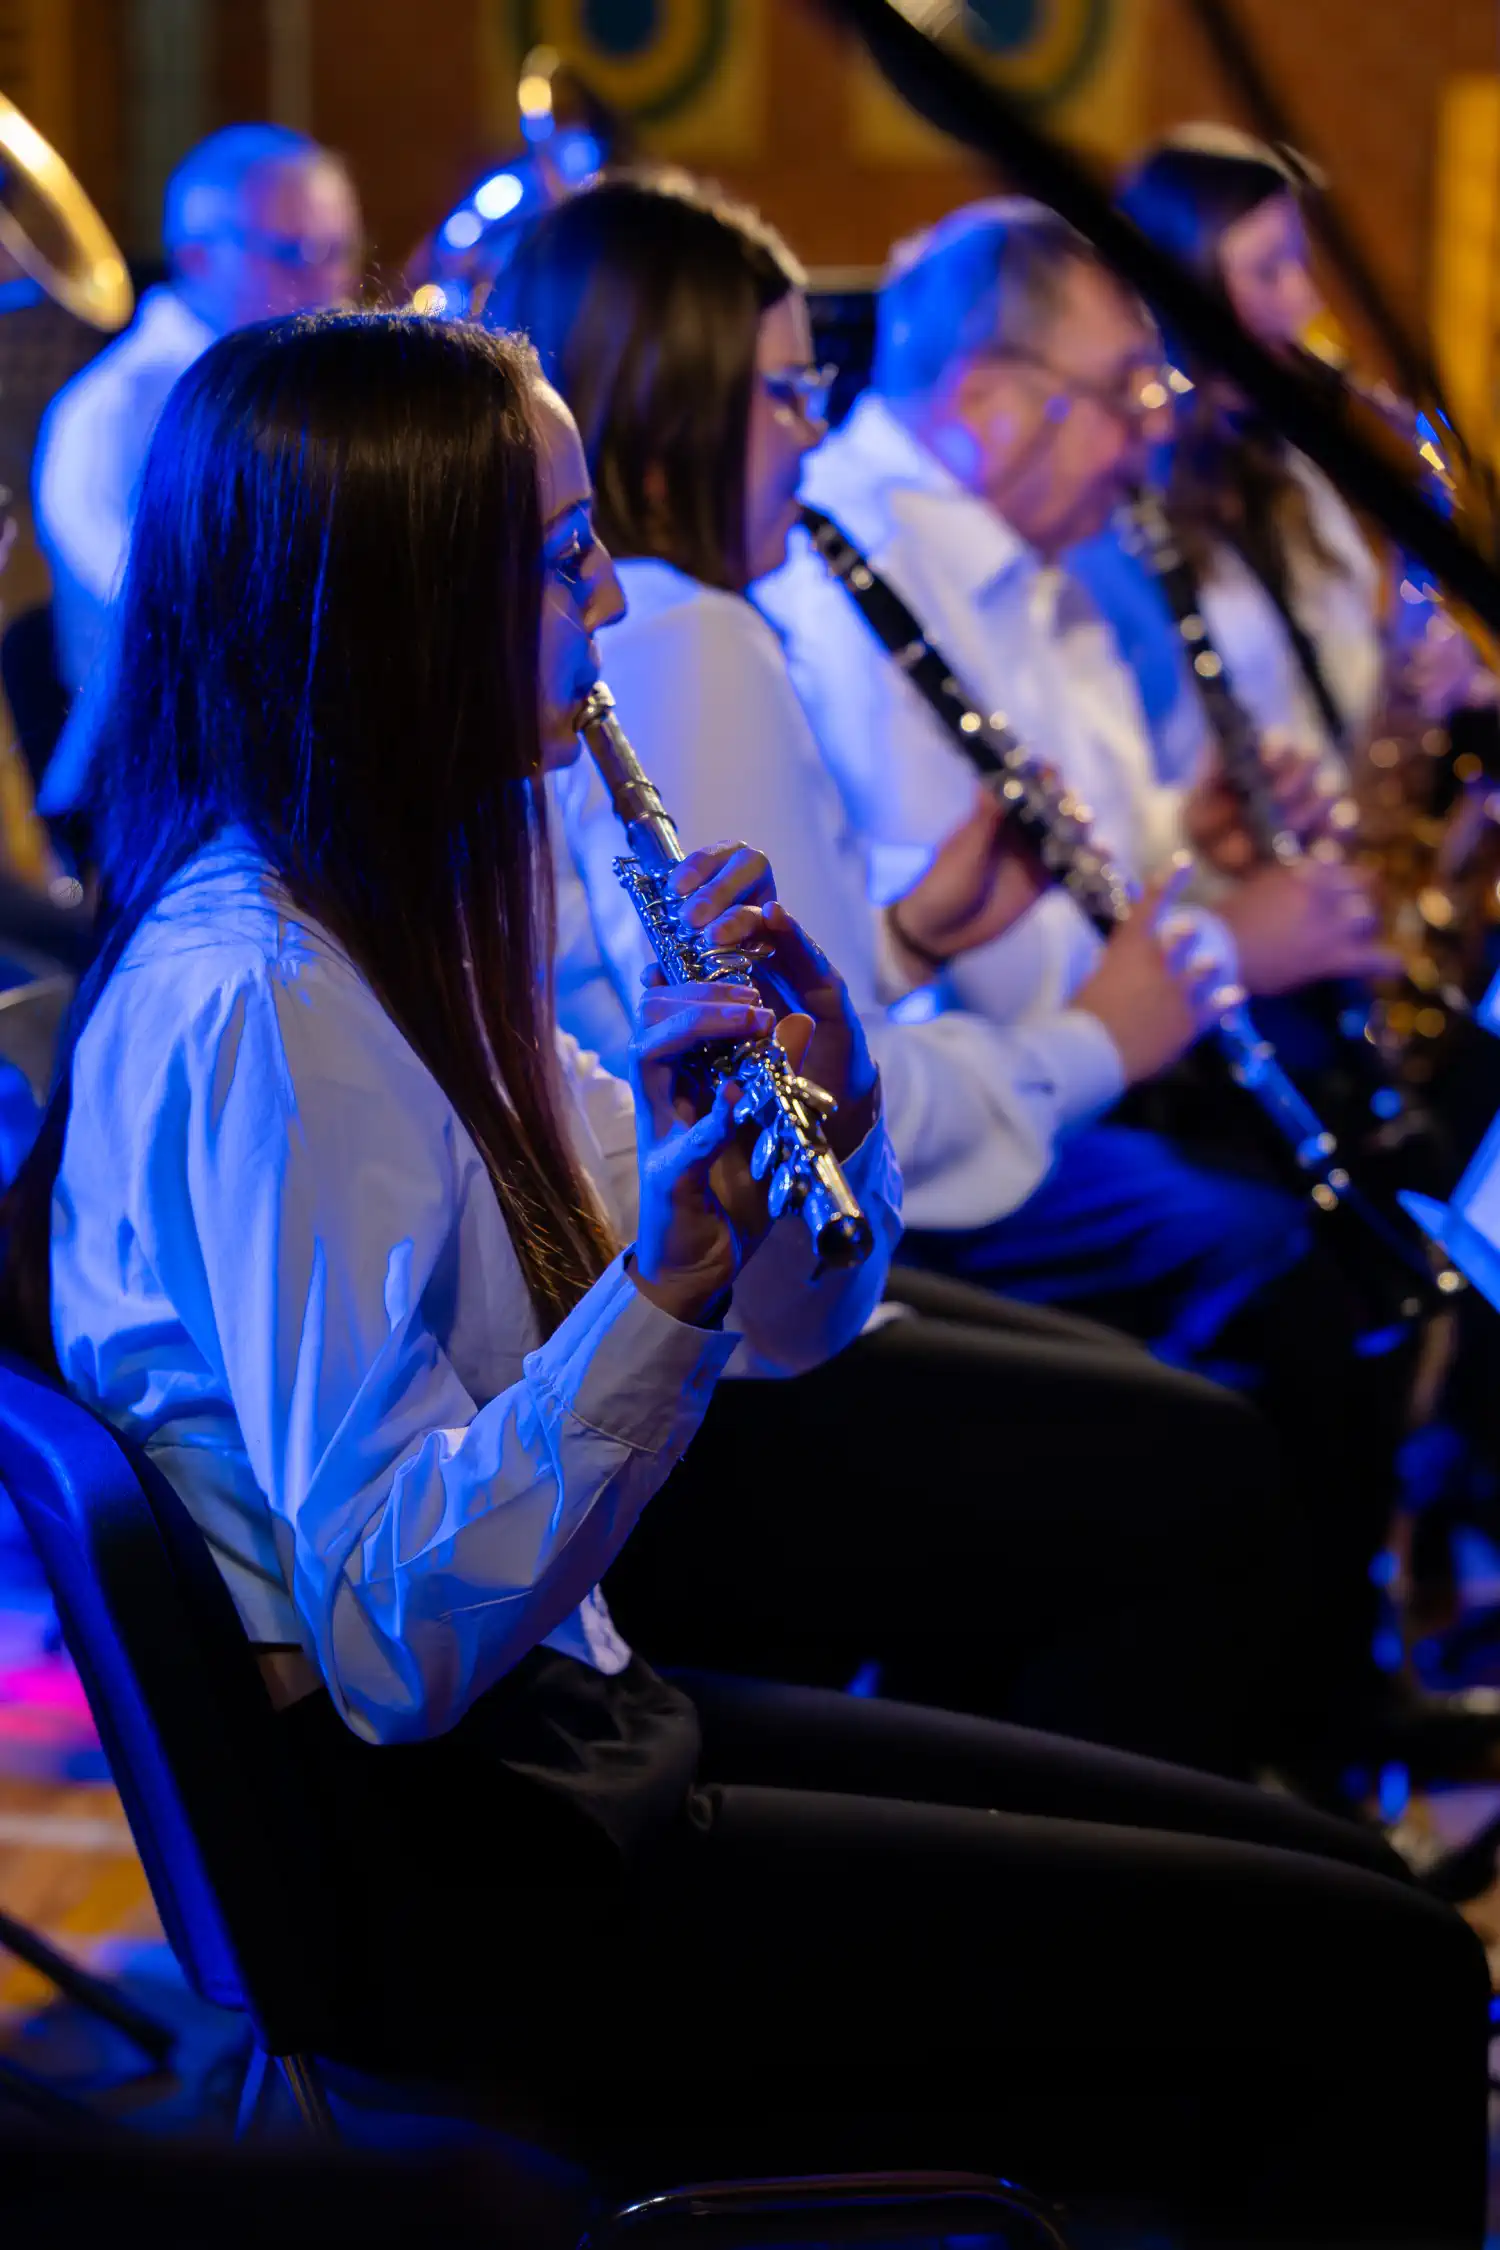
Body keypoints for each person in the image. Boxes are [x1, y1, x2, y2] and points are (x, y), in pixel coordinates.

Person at [2, 305, 1487, 2250]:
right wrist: (669, 1291)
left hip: (566, 1740)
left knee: (1336, 1899)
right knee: (1362, 1974)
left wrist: (833, 1103)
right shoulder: (269, 1004)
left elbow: (806, 1327)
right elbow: (386, 1634)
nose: (611, 600)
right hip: (479, 1875)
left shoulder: (398, 902)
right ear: (399, 608)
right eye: (556, 559)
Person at [1067, 125, 1494, 789]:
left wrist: (1439, 683)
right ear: (1183, 286)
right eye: (1269, 270)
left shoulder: (1292, 469)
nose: (1307, 303)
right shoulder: (1110, 510)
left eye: (1302, 264)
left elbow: (1352, 695)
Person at [33, 121, 362, 798]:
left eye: (340, 251)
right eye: (294, 253)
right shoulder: (111, 412)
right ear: (198, 258)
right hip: (158, 791)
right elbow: (168, 609)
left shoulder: (309, 390)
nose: (330, 284)